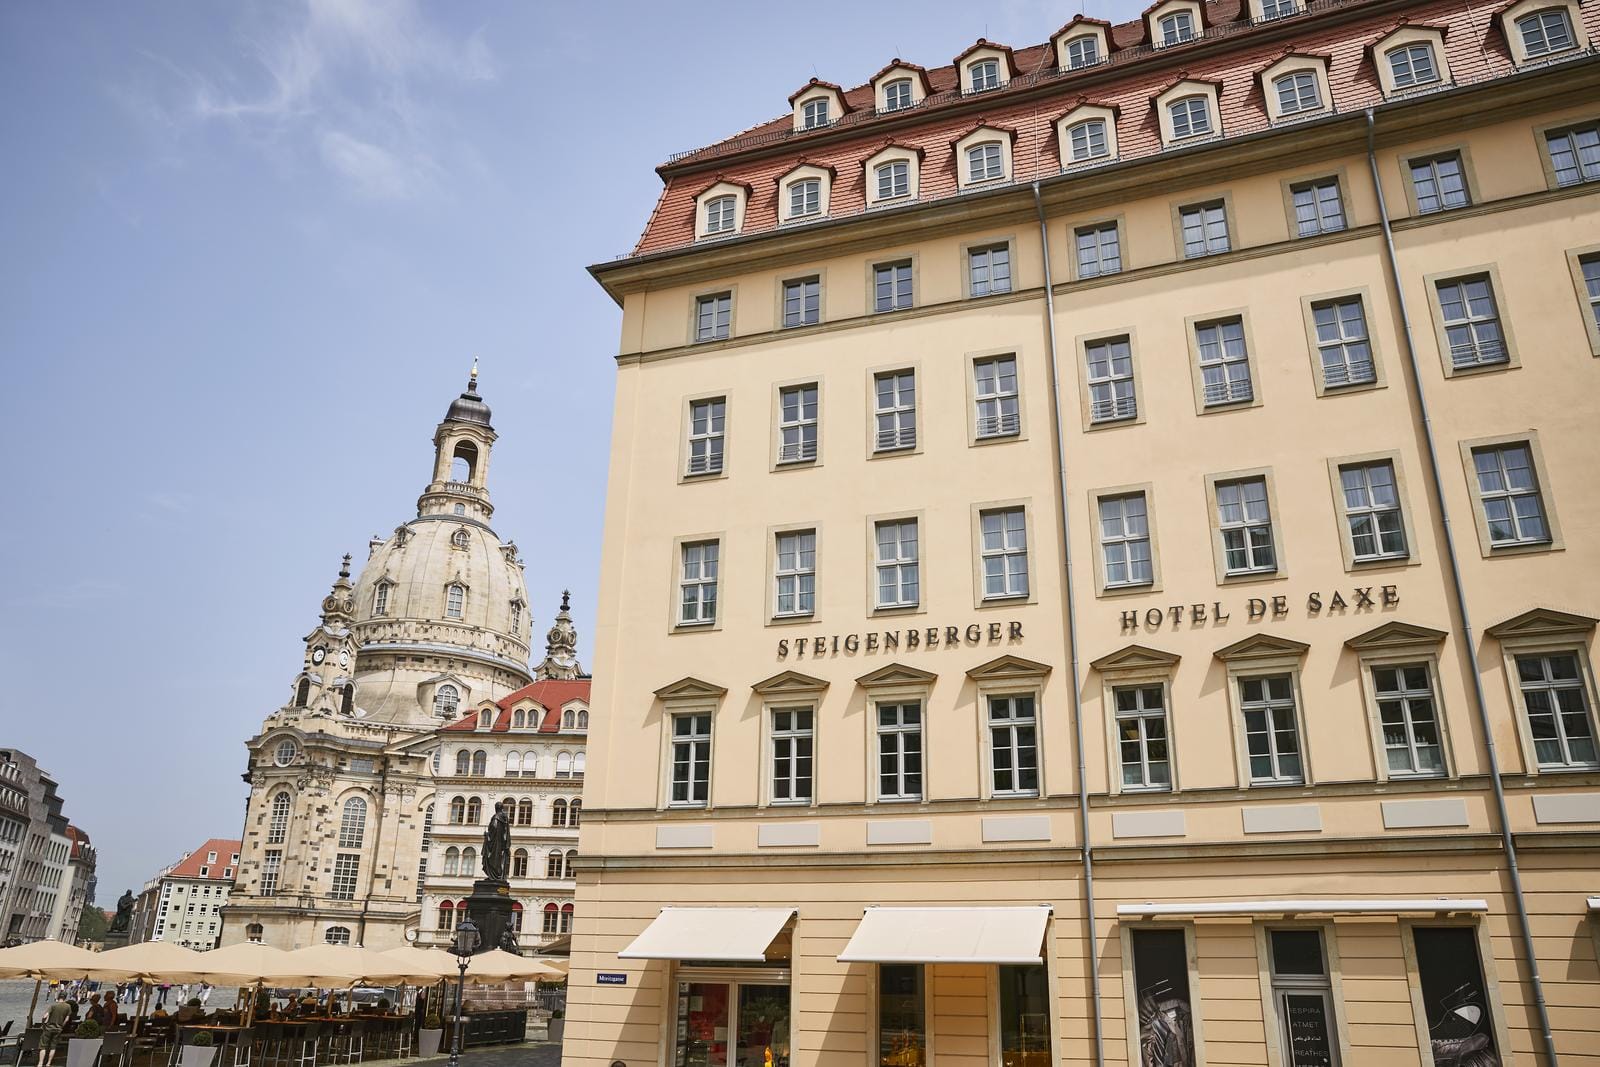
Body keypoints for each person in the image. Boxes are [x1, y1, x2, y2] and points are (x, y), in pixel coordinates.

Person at [40, 993, 72, 1067]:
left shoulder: (53, 1005)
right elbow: (67, 1019)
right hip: (58, 1029)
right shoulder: (68, 1006)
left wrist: (43, 1024)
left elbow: (45, 1016)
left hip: (49, 1028)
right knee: (53, 1047)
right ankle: (48, 1063)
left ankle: (40, 1063)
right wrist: (61, 1026)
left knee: (43, 1046)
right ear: (65, 998)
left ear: (58, 996)